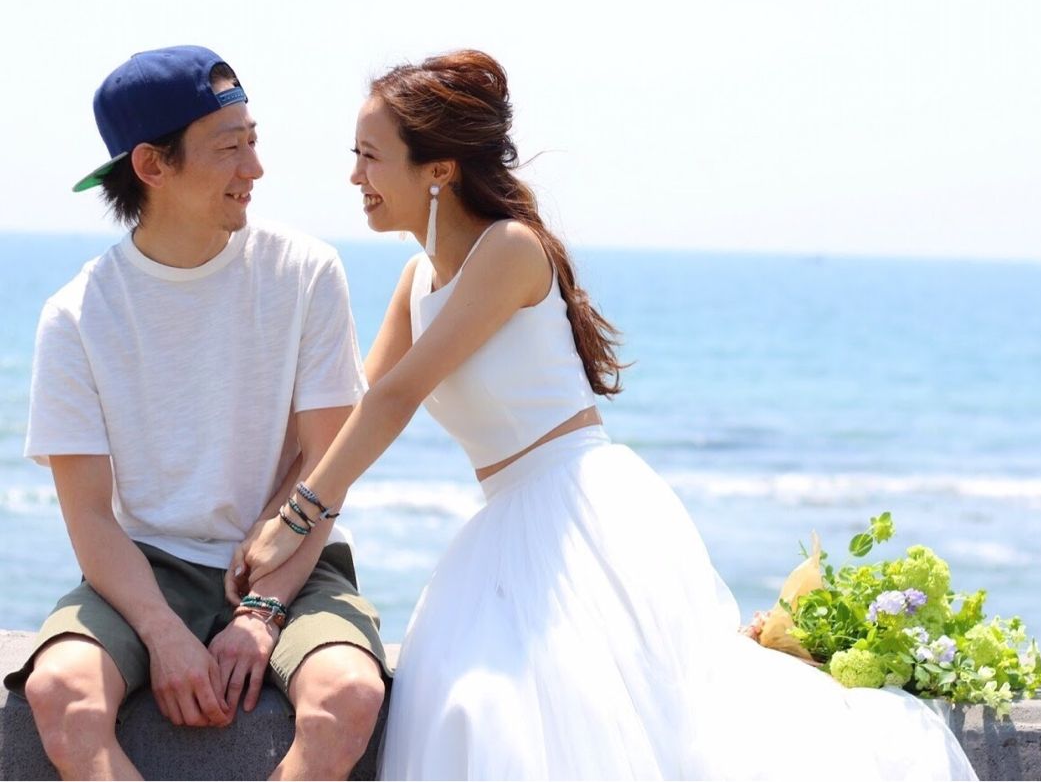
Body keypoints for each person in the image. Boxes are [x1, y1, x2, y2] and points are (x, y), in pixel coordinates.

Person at [240, 49, 978, 780]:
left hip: (579, 513)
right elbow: (356, 411)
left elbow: (398, 397)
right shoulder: (416, 280)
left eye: (370, 156)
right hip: (504, 523)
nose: (355, 177)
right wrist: (267, 542)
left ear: (439, 169)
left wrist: (297, 517)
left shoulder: (509, 249)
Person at [4, 45, 388, 781]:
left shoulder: (305, 271)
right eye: (229, 148)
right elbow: (89, 516)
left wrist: (262, 611)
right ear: (152, 166)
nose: (255, 168)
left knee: (348, 696)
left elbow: (327, 463)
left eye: (253, 140)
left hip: (294, 558)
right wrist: (161, 631)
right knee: (61, 697)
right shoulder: (77, 315)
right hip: (142, 569)